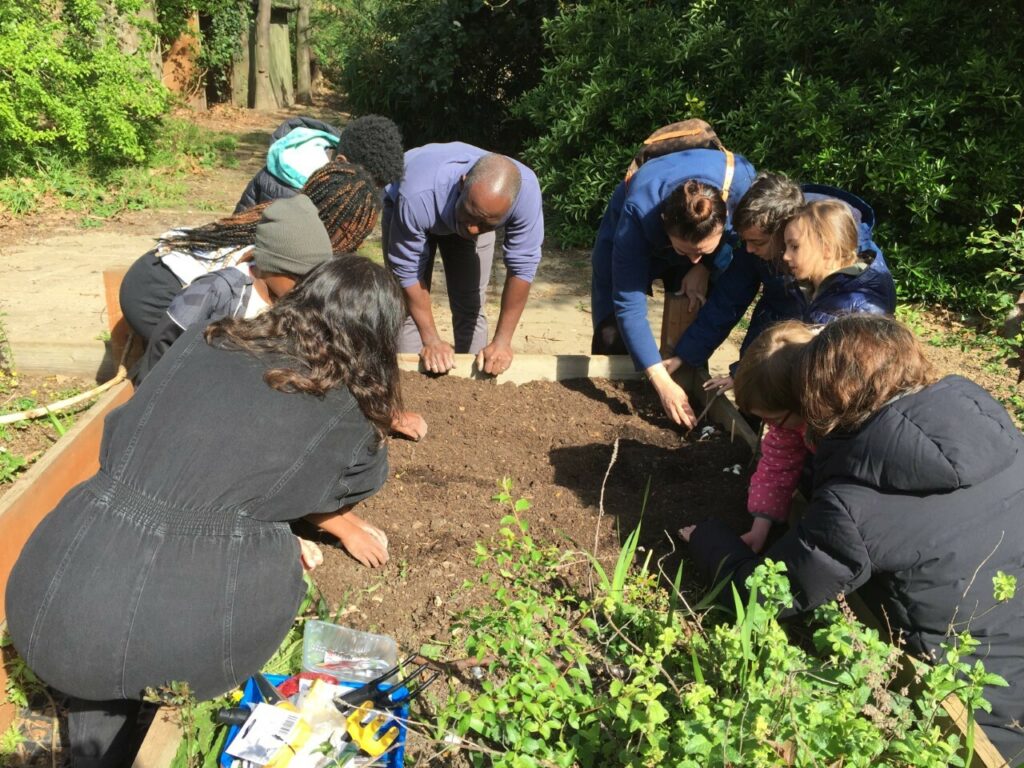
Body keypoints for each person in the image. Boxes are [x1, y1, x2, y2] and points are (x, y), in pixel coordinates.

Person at [6, 256, 404, 767]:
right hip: (189, 633)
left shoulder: (208, 339)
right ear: (375, 337)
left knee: (100, 665)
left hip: (49, 597)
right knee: (251, 556)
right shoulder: (342, 409)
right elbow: (358, 481)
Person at [682, 315, 1024, 759]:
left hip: (984, 721)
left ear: (819, 399)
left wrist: (708, 539)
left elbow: (765, 597)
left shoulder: (855, 504)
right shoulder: (996, 430)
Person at [119, 160, 380, 345]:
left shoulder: (293, 224)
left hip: (162, 273)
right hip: (156, 292)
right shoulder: (278, 245)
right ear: (338, 224)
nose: (354, 245)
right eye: (353, 235)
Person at [589, 148, 756, 426]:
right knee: (611, 332)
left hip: (699, 236)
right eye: (687, 251)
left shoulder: (743, 188)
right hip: (632, 233)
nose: (693, 257)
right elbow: (628, 305)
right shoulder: (638, 211)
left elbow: (735, 245)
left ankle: (687, 383)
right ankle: (625, 400)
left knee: (694, 314)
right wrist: (660, 382)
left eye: (703, 250)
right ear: (664, 224)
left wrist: (704, 266)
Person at [382, 142, 544, 376]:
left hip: (453, 207)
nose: (474, 229)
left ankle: (475, 380)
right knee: (406, 311)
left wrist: (502, 341)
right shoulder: (417, 195)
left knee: (470, 306)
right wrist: (432, 340)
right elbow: (406, 271)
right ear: (462, 184)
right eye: (472, 215)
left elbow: (523, 266)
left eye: (487, 225)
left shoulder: (524, 193)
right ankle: (410, 384)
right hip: (415, 203)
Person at [135, 194, 335, 381]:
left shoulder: (299, 302)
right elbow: (163, 350)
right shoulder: (216, 293)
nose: (309, 288)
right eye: (299, 277)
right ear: (270, 264)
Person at [730, 322, 816, 552]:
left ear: (803, 401)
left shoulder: (842, 426)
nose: (770, 426)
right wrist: (761, 526)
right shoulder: (789, 418)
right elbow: (779, 464)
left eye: (774, 419)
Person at [234, 114, 404, 212]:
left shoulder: (341, 182)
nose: (375, 194)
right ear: (340, 163)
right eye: (373, 186)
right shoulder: (290, 195)